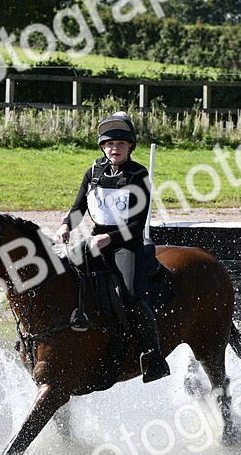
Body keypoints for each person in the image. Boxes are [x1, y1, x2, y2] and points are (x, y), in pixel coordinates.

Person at [55, 112, 171, 383]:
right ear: (102, 148)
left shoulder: (138, 175)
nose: (114, 149)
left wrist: (109, 239)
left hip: (126, 245)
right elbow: (78, 208)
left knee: (132, 294)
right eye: (109, 145)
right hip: (96, 240)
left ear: (130, 147)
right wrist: (66, 226)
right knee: (67, 278)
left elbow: (136, 225)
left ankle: (153, 357)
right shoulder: (93, 172)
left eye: (120, 144)